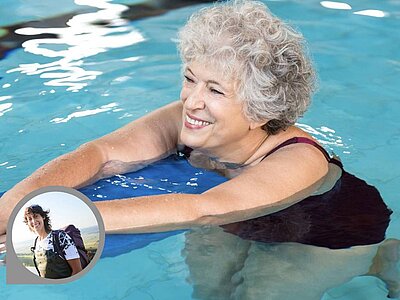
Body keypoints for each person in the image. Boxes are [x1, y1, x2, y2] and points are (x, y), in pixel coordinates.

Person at [0, 0, 398, 297]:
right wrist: (16, 202)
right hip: (230, 214)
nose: (192, 101)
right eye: (191, 79)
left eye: (215, 90)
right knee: (210, 295)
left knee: (258, 294)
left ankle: (377, 257)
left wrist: (63, 223)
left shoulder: (298, 159)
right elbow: (101, 154)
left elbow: (199, 208)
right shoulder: (189, 119)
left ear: (261, 109)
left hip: (322, 231)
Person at [23, 204, 82, 278]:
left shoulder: (61, 237)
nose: (33, 221)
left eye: (36, 216)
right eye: (30, 219)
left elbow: (77, 271)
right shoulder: (36, 242)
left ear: (43, 217)